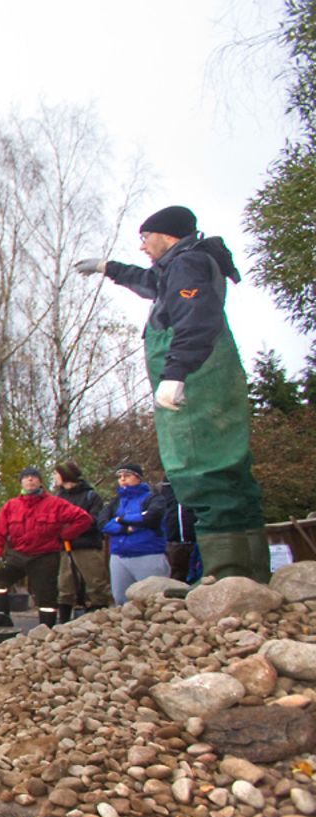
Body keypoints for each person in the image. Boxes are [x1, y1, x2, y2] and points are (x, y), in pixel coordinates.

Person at [75, 205, 269, 582]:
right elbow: (151, 283)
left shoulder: (187, 264)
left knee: (204, 471)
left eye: (146, 238)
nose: (144, 247)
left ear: (167, 235)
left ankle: (227, 576)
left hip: (197, 380)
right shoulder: (183, 265)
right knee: (230, 473)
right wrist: (108, 268)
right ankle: (251, 576)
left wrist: (176, 372)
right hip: (206, 374)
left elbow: (196, 317)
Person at [0, 467, 95, 630]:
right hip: (17, 554)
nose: (30, 480)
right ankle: (1, 616)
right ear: (21, 482)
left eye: (34, 477)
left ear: (40, 482)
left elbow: (83, 519)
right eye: (26, 477)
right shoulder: (11, 506)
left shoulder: (55, 504)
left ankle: (45, 631)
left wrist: (65, 535)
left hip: (44, 556)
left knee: (46, 598)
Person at [99, 463, 172, 604]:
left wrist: (120, 519)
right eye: (119, 477)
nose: (122, 479)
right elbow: (102, 523)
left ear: (138, 478)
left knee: (153, 600)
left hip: (148, 554)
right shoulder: (115, 502)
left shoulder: (153, 498)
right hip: (119, 556)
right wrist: (125, 528)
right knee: (120, 599)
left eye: (127, 475)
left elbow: (151, 518)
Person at [51, 461, 111, 620]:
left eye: (56, 474)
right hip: (65, 548)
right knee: (65, 587)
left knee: (96, 585)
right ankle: (63, 622)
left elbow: (95, 521)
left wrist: (71, 530)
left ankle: (100, 619)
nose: (54, 478)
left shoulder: (91, 496)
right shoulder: (58, 497)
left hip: (88, 546)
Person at [158, 479, 201, 583]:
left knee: (200, 577)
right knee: (176, 579)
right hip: (174, 542)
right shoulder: (164, 486)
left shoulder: (197, 480)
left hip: (197, 540)